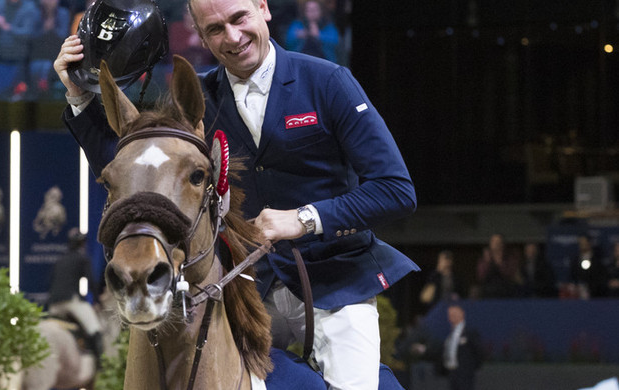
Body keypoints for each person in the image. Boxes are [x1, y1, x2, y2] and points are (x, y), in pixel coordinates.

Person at [54, 0, 420, 388]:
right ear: (199, 34)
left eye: (239, 18)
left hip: (336, 281)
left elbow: (395, 190)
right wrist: (81, 95)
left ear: (262, 8)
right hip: (245, 288)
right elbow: (130, 166)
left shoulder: (328, 81)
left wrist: (304, 218)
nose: (232, 37)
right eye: (214, 29)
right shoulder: (193, 98)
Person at [47, 228, 104, 361]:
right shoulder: (82, 258)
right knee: (95, 328)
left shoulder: (59, 260)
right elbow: (91, 282)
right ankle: (100, 365)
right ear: (82, 244)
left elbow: (50, 283)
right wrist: (97, 302)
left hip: (54, 305)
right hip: (71, 302)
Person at [438, 304, 483, 390]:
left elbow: (478, 351)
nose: (452, 316)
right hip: (452, 373)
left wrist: (470, 368)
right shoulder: (450, 335)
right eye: (450, 314)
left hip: (465, 374)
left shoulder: (470, 332)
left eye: (455, 313)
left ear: (462, 313)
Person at [475, 233, 521, 298]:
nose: (496, 244)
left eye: (498, 242)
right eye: (494, 242)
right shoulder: (485, 259)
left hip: (506, 290)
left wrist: (499, 262)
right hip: (488, 291)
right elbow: (481, 276)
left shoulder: (509, 258)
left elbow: (510, 273)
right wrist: (487, 262)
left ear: (502, 244)